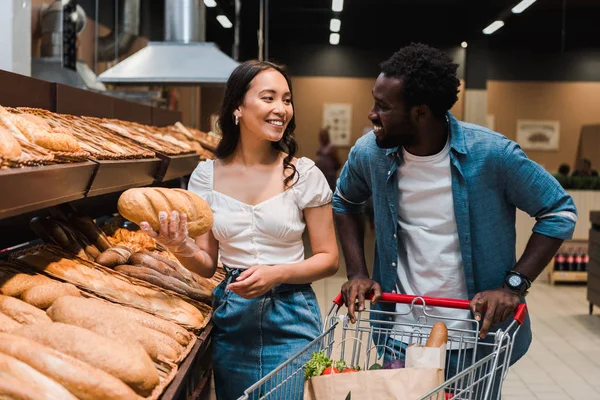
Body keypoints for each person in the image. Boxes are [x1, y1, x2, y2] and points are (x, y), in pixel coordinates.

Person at [332, 43, 577, 394]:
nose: (372, 114)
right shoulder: (371, 153)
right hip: (399, 333)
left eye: (383, 107)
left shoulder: (491, 155)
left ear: (420, 112)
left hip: (475, 335)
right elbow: (344, 201)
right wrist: (356, 272)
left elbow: (558, 211)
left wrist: (514, 285)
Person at [140, 60, 339, 400]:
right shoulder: (206, 177)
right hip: (233, 316)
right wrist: (180, 246)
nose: (281, 109)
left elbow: (329, 259)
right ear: (237, 107)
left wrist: (276, 274)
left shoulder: (303, 174)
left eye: (287, 99)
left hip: (291, 314)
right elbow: (206, 262)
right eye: (269, 98)